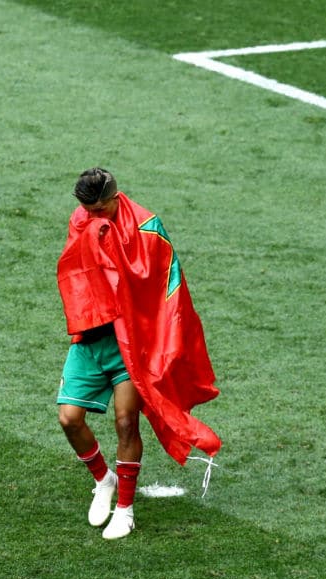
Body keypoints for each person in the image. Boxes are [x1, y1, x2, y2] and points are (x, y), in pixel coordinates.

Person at [55, 167, 220, 539]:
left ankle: (125, 510)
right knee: (69, 418)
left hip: (130, 344)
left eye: (100, 210)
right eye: (88, 210)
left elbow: (165, 285)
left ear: (116, 198)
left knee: (126, 421)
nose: (92, 216)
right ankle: (104, 479)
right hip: (91, 338)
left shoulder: (147, 227)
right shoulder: (81, 218)